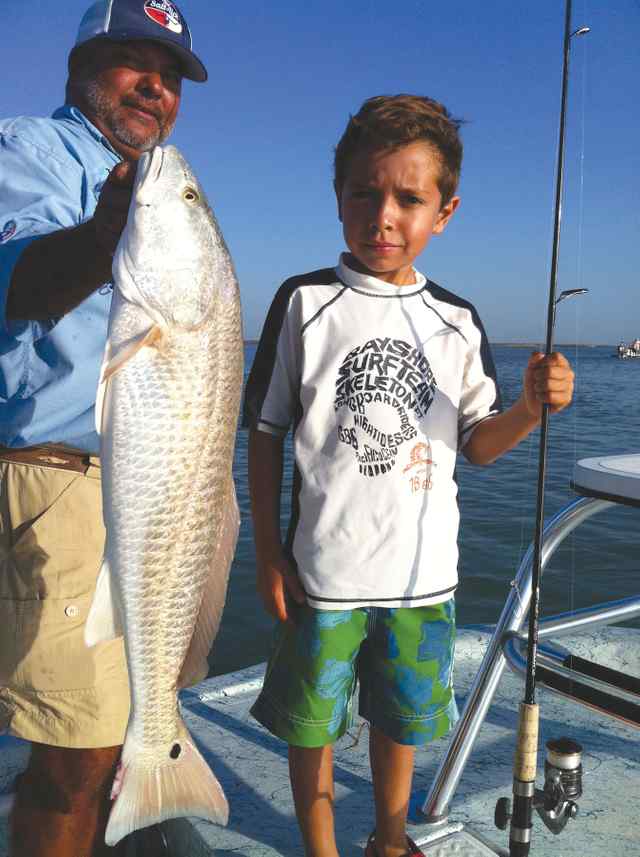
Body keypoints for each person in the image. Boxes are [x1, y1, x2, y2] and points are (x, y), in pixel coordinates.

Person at [243, 94, 575, 857]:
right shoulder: (304, 302)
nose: (383, 216)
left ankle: (390, 838)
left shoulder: (457, 321)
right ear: (338, 197)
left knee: (401, 722)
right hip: (321, 576)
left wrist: (530, 408)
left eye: (408, 198)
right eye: (365, 193)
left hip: (423, 580)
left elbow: (479, 445)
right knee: (311, 725)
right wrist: (267, 551)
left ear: (444, 212)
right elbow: (264, 431)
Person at [0, 2, 207, 855]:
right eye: (134, 62)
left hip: (152, 495)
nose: (156, 87)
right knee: (76, 756)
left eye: (172, 75)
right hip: (59, 481)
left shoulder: (156, 190)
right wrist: (104, 235)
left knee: (110, 737)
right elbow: (15, 283)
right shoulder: (29, 150)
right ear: (82, 66)